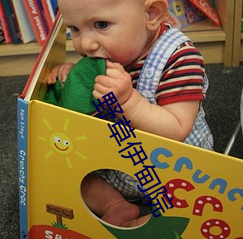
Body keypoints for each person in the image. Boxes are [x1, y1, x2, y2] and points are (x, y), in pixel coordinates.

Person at [48, 0, 213, 227]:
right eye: (74, 29)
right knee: (65, 174)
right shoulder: (108, 50)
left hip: (173, 171)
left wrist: (129, 102)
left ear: (152, 14)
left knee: (197, 205)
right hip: (119, 166)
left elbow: (177, 129)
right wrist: (73, 76)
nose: (85, 44)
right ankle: (116, 205)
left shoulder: (180, 59)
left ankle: (157, 225)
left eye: (101, 24)